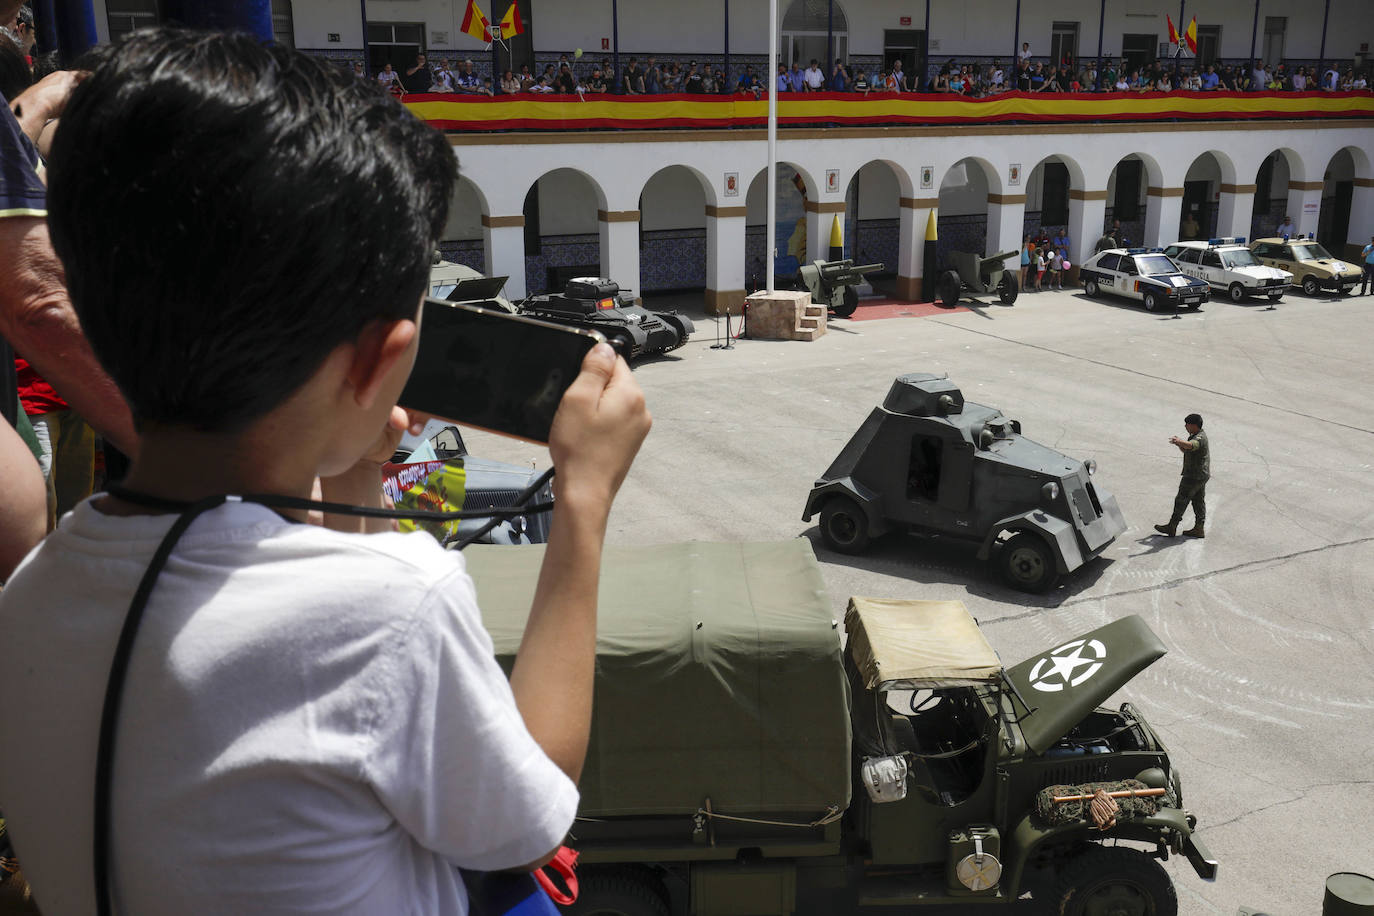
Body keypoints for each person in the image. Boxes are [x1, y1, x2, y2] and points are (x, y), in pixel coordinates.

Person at [0, 28, 651, 914]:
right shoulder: (395, 607)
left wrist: (354, 475)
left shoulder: (33, 593)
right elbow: (526, 821)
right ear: (381, 359)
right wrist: (583, 497)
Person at [1155, 413, 1209, 538]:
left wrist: (1180, 441)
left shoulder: (1200, 437)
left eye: (1187, 424)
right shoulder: (1193, 436)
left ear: (1194, 425)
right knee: (1198, 501)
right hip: (1201, 475)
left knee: (1181, 500)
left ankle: (1172, 526)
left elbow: (1191, 445)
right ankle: (1199, 528)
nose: (1185, 426)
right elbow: (1187, 449)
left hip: (1194, 476)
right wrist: (1179, 443)